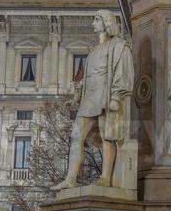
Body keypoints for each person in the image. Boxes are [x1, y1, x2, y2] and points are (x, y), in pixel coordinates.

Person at [54, 11, 134, 190]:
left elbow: (124, 72)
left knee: (108, 137)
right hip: (89, 101)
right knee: (76, 136)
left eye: (96, 20)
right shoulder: (93, 51)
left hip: (106, 99)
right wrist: (77, 97)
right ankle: (70, 179)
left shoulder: (120, 46)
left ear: (106, 22)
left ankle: (105, 178)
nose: (93, 24)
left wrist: (116, 97)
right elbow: (88, 78)